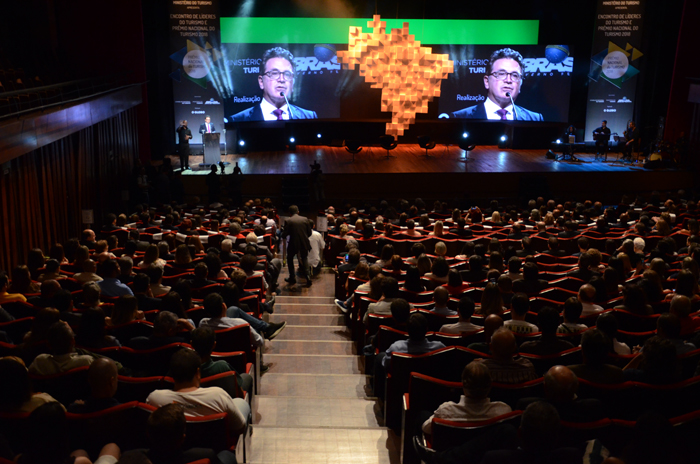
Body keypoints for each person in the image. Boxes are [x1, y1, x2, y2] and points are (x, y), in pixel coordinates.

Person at [146, 349, 249, 435]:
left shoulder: (154, 399)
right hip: (214, 449)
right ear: (198, 373)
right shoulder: (218, 395)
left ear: (171, 373)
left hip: (175, 451)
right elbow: (239, 428)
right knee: (240, 401)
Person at [421, 361, 512, 436]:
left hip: (453, 456)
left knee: (423, 415)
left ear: (463, 384)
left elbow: (426, 428)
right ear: (490, 385)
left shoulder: (445, 411)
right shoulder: (504, 412)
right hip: (488, 456)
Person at [452, 48, 543, 121]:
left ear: (520, 84)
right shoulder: (460, 117)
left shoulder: (534, 119)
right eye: (501, 74)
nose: (508, 80)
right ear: (487, 81)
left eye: (515, 75)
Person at [230, 47, 318, 121]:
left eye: (287, 74)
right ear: (261, 82)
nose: (282, 79)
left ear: (293, 83)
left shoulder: (309, 117)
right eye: (274, 73)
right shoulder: (238, 119)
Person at [282, 205, 313, 288]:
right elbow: (309, 233)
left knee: (290, 258)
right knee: (304, 258)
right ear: (298, 212)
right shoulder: (305, 219)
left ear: (289, 213)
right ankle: (308, 277)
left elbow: (285, 234)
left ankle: (292, 277)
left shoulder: (288, 220)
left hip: (293, 243)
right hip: (304, 242)